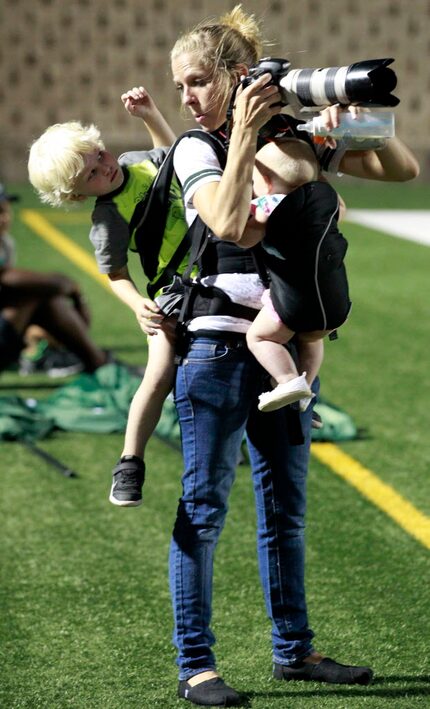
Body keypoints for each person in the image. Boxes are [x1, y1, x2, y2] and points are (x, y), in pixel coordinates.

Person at [166, 4, 419, 705]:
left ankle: (294, 650)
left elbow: (401, 169)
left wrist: (359, 118)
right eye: (180, 85)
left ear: (235, 76)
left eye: (195, 81)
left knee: (286, 511)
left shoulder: (290, 138)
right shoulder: (196, 147)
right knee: (205, 508)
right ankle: (197, 665)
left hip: (284, 338)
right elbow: (226, 222)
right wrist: (241, 128)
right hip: (217, 350)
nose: (185, 97)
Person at [28, 86, 181, 507]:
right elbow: (114, 273)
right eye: (90, 175)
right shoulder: (108, 219)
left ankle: (294, 394)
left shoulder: (137, 161)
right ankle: (131, 460)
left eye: (98, 155)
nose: (104, 168)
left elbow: (176, 160)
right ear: (78, 195)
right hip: (176, 288)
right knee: (159, 369)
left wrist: (150, 114)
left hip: (222, 267)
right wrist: (138, 306)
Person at [246, 139, 351, 414]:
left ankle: (288, 380)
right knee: (311, 339)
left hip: (294, 302)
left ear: (266, 182)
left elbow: (243, 230)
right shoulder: (328, 200)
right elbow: (341, 213)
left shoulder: (269, 203)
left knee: (260, 338)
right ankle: (307, 386)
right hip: (336, 305)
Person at [0, 183, 108, 376]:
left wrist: (34, 332)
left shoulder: (6, 244)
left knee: (42, 301)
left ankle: (94, 362)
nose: (5, 218)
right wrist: (72, 289)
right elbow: (7, 278)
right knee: (35, 296)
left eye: (5, 210)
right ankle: (98, 364)